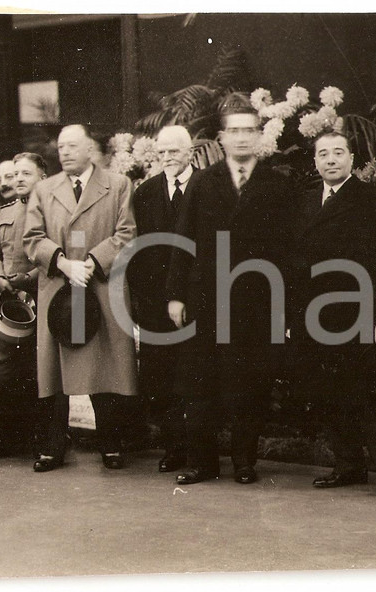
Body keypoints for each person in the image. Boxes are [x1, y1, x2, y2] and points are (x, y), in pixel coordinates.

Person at [166, 95, 296, 485]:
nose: (241, 137)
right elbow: (183, 240)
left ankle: (244, 462)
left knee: (249, 383)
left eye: (249, 130)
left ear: (260, 135)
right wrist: (176, 295)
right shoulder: (204, 182)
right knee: (200, 382)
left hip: (256, 300)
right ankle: (201, 462)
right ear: (221, 137)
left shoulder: (278, 185)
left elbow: (289, 250)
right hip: (206, 297)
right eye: (234, 130)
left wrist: (284, 306)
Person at [290, 131, 376, 500]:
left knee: (370, 395)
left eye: (338, 152)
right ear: (315, 161)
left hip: (361, 315)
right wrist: (292, 318)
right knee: (330, 393)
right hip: (314, 316)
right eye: (323, 154)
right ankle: (348, 465)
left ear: (352, 159)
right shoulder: (305, 202)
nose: (331, 160)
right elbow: (293, 265)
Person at [24, 124, 138, 473]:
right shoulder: (44, 189)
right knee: (55, 375)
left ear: (90, 149)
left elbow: (127, 232)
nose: (65, 152)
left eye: (73, 146)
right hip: (59, 286)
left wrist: (91, 263)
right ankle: (52, 447)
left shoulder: (118, 184)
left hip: (100, 285)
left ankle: (111, 443)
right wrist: (62, 263)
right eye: (61, 147)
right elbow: (32, 238)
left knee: (104, 368)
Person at [125, 125, 193, 471]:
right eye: (162, 152)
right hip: (155, 304)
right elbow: (137, 249)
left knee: (195, 377)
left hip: (196, 300)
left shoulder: (205, 187)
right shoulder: (146, 192)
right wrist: (143, 301)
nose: (168, 158)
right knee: (161, 378)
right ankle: (174, 447)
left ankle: (199, 450)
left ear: (190, 152)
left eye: (174, 151)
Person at [0, 152, 47, 463]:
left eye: (26, 174)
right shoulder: (4, 212)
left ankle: (40, 439)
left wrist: (28, 279)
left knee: (37, 372)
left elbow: (59, 254)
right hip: (3, 304)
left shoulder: (52, 211)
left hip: (40, 301)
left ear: (43, 177)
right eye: (15, 174)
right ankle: (2, 436)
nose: (18, 179)